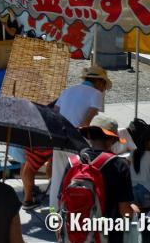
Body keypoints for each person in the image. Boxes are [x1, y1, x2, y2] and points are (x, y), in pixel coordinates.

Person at [60, 115, 134, 243]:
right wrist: (135, 212)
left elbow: (60, 201)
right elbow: (125, 211)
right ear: (112, 139)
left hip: (75, 235)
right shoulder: (119, 165)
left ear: (88, 135)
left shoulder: (73, 163)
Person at [49, 65, 110, 209]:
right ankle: (72, 211)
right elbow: (86, 122)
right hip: (77, 141)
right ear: (99, 82)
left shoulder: (67, 90)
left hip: (59, 137)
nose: (103, 89)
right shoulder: (96, 94)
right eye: (104, 85)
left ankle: (54, 213)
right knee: (76, 177)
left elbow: (54, 115)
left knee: (57, 176)